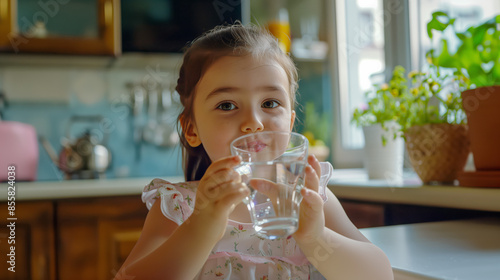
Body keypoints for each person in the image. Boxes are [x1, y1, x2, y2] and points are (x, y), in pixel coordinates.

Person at [116, 23, 393, 280]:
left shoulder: (309, 198)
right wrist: (201, 226)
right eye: (227, 105)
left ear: (291, 121)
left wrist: (315, 237)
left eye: (270, 103)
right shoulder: (179, 207)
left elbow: (380, 275)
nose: (254, 123)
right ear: (192, 129)